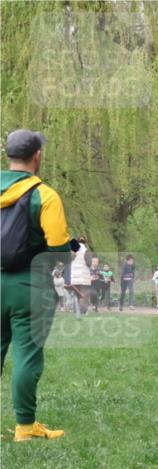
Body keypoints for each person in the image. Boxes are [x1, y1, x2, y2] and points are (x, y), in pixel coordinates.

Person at [0, 128, 70, 441]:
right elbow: (58, 249)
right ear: (37, 156)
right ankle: (25, 428)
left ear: (8, 155)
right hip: (29, 285)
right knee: (27, 356)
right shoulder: (45, 195)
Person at [68, 237, 92, 315]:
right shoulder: (86, 251)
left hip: (74, 276)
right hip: (83, 277)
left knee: (76, 294)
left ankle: (76, 311)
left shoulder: (73, 249)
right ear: (85, 243)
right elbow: (89, 263)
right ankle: (82, 311)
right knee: (83, 295)